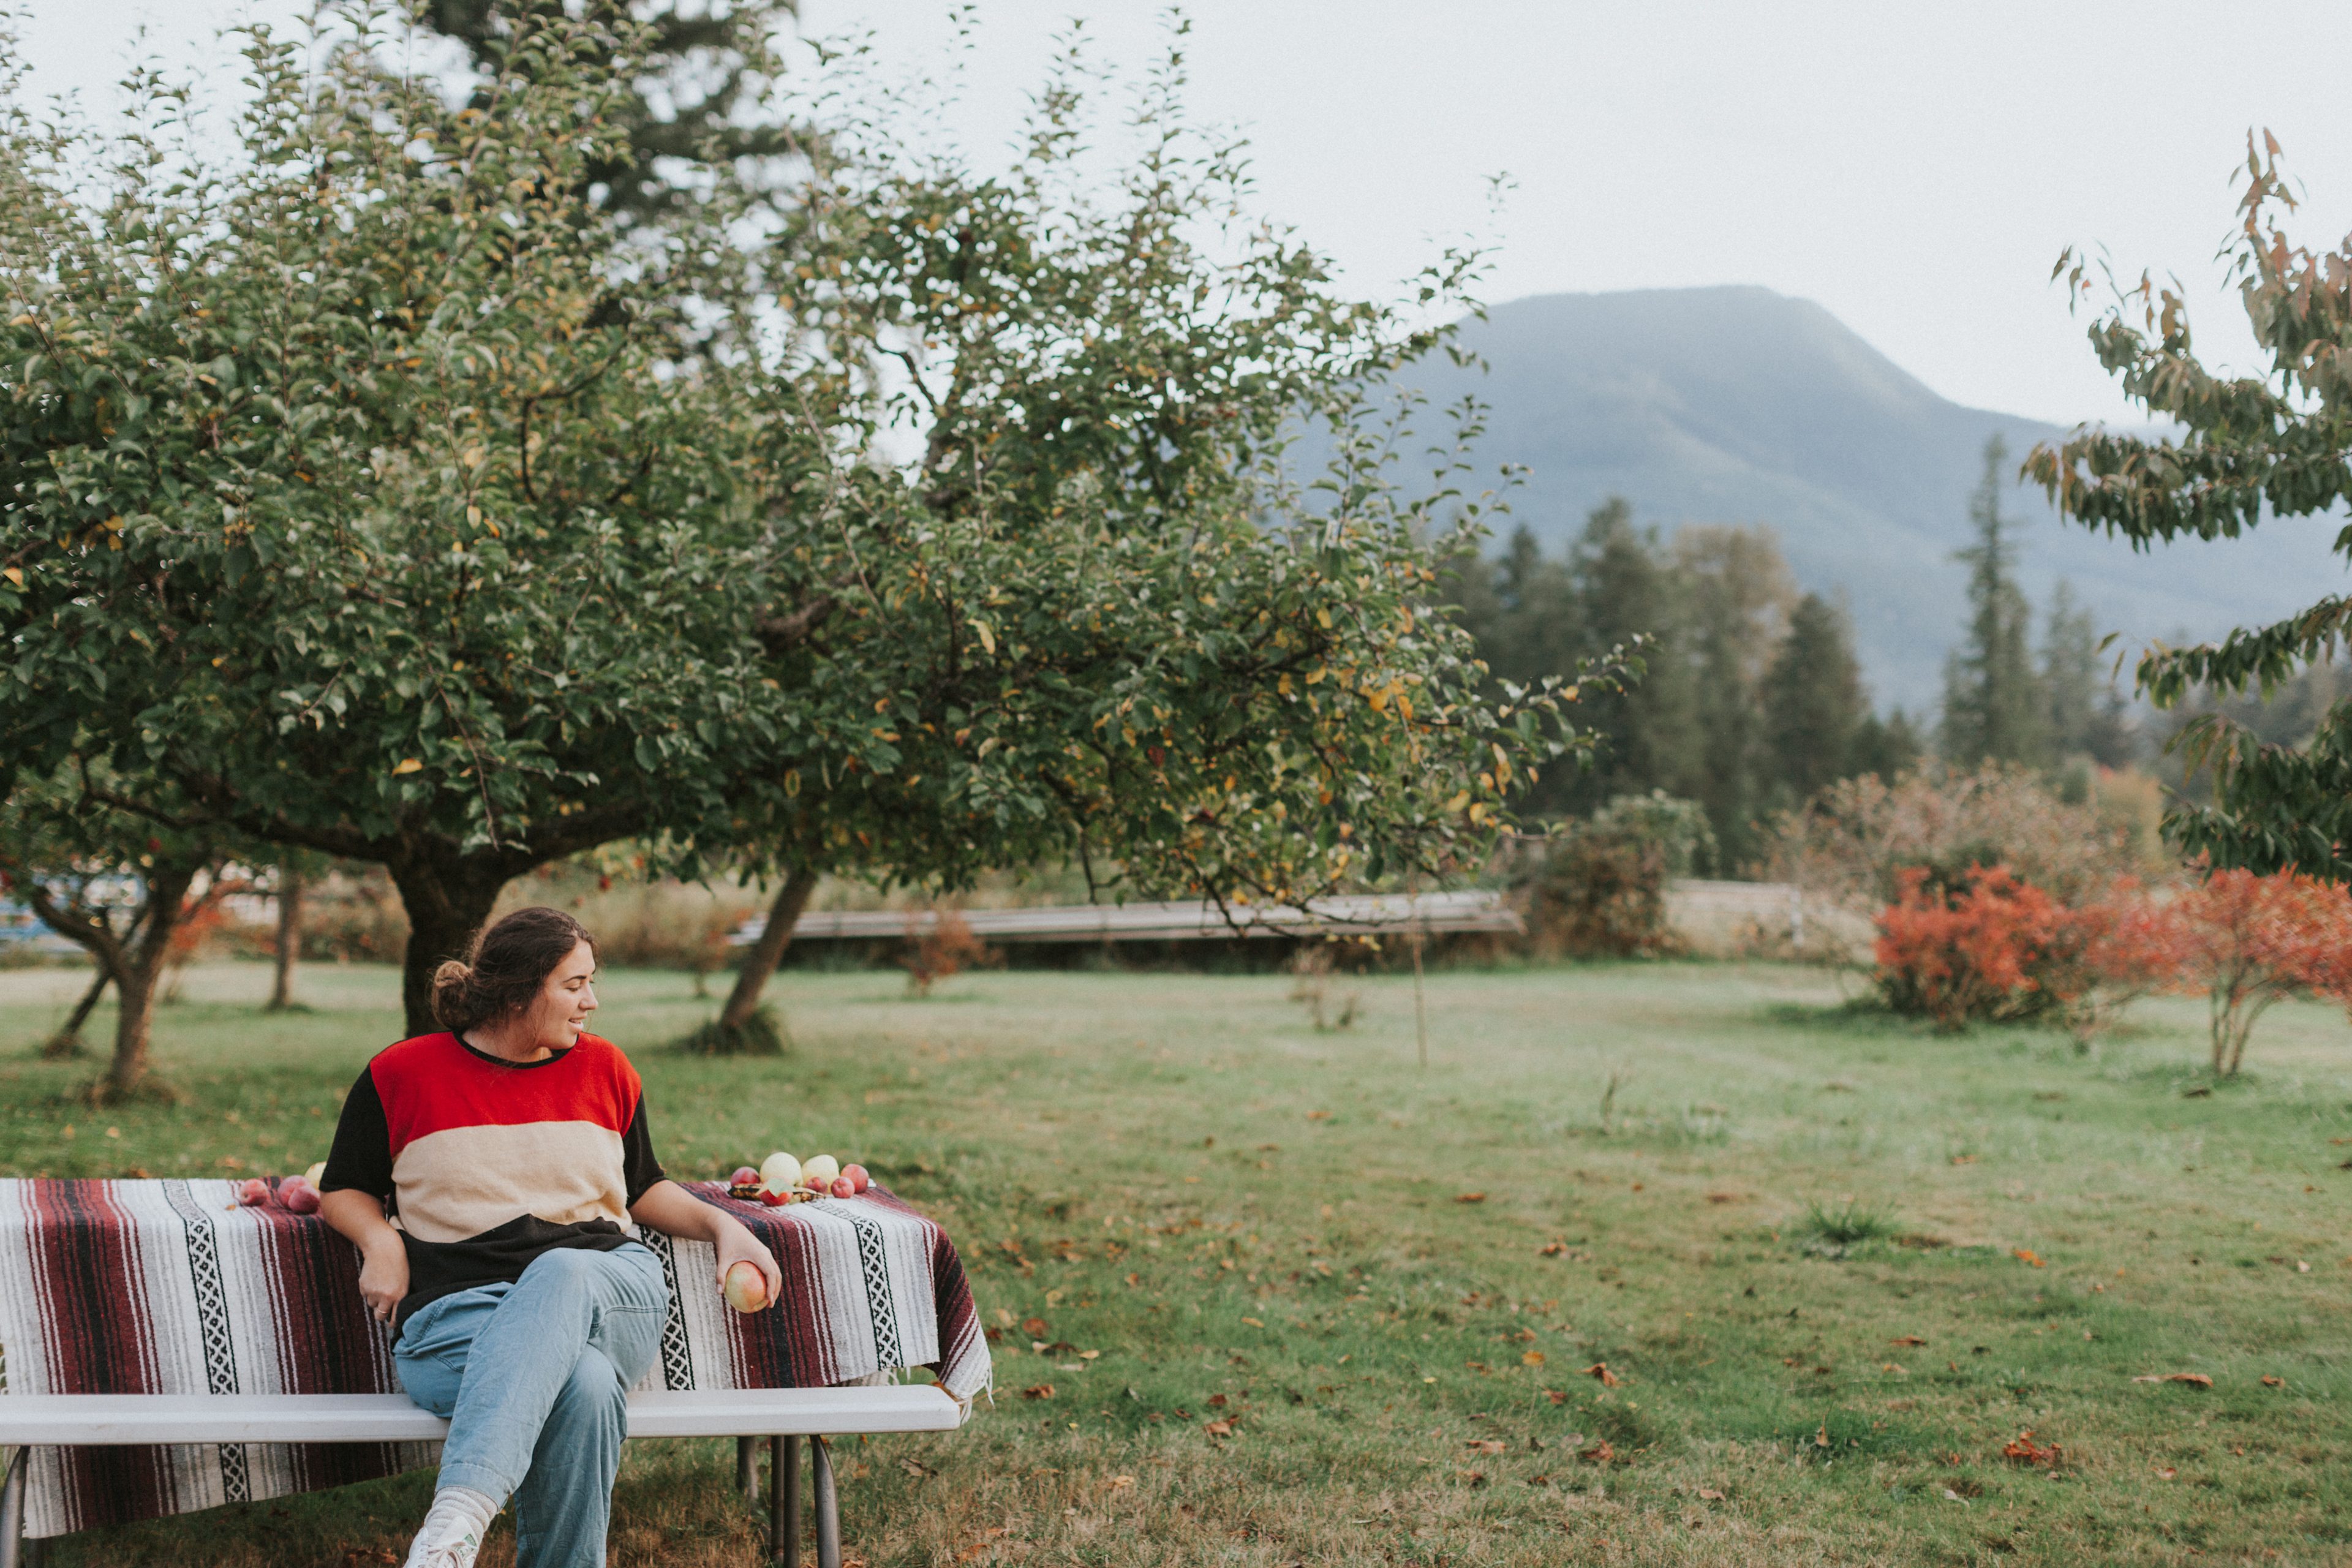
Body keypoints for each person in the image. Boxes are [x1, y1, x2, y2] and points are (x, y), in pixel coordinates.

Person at [318, 907, 780, 1568]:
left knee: (564, 1270)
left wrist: (723, 1225)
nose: (591, 1001)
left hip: (608, 1290)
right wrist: (381, 1241)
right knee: (586, 1385)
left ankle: (460, 1515)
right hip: (457, 1321)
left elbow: (644, 1186)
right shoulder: (402, 1074)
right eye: (574, 985)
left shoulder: (607, 1069)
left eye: (591, 982)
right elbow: (343, 1188)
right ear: (516, 992)